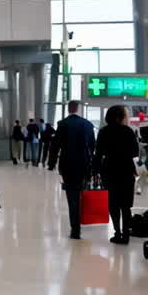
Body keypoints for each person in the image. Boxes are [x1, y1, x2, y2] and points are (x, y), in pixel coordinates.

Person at [48, 100, 96, 239]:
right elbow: (92, 146)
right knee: (83, 194)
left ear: (69, 109)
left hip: (67, 164)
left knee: (72, 196)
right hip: (84, 164)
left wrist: (51, 163)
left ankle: (75, 229)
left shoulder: (62, 124)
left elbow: (55, 146)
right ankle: (82, 221)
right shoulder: (87, 124)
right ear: (79, 109)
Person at [94, 106, 140, 244]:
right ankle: (126, 235)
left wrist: (95, 171)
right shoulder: (128, 131)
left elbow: (98, 154)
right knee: (126, 206)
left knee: (113, 204)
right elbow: (135, 153)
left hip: (109, 171)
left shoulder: (103, 132)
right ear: (119, 116)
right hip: (126, 171)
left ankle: (117, 233)